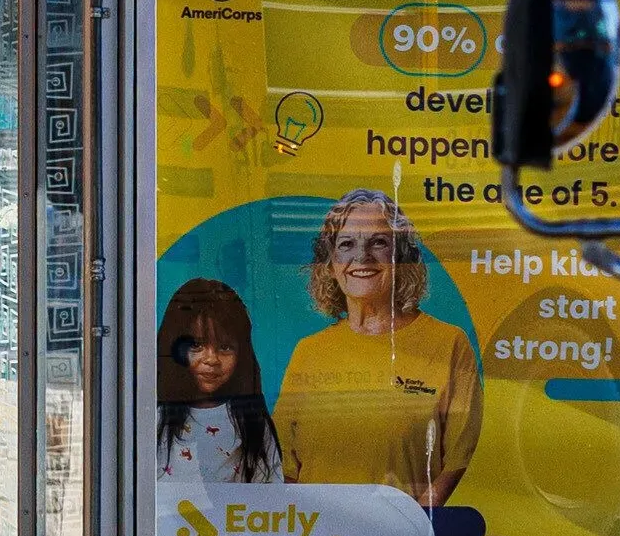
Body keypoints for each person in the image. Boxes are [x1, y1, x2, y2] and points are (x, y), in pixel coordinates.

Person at [273, 188, 482, 506]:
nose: (362, 257)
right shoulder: (308, 351)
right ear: (330, 265)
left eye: (378, 242)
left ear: (402, 257)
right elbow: (284, 464)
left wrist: (414, 527)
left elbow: (459, 458)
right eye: (346, 245)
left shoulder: (449, 344)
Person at [154, 279, 280, 483]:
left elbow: (271, 491)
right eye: (196, 345)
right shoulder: (155, 417)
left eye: (225, 347)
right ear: (173, 349)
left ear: (242, 354)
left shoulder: (250, 420)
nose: (211, 359)